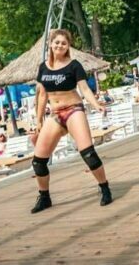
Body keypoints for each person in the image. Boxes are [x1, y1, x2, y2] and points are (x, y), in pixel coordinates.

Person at [28, 29, 112, 213]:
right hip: (55, 114)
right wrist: (39, 120)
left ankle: (104, 187)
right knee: (38, 161)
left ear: (68, 46)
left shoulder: (74, 65)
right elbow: (41, 95)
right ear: (51, 44)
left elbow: (84, 89)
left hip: (73, 110)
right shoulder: (43, 67)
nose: (60, 46)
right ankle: (44, 197)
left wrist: (96, 104)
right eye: (57, 42)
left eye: (64, 43)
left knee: (88, 153)